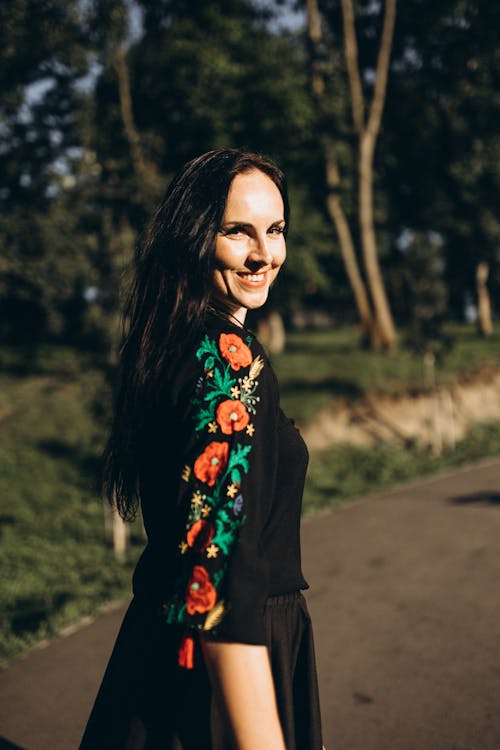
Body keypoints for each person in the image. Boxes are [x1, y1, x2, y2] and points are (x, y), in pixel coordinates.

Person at [79, 148, 324, 749]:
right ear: (195, 238)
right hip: (221, 678)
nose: (264, 254)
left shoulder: (173, 346)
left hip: (159, 653)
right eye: (238, 231)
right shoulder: (228, 363)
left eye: (276, 230)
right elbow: (220, 582)